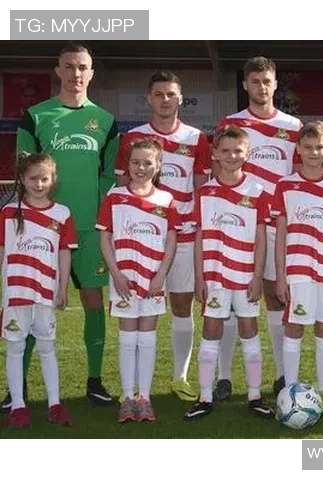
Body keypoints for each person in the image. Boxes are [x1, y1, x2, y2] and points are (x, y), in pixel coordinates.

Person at [4, 42, 119, 410]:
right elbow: (24, 169)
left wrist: (99, 218)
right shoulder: (36, 116)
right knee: (31, 303)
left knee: (93, 301)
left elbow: (109, 176)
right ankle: (17, 390)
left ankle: (95, 381)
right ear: (58, 70)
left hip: (87, 227)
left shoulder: (105, 121)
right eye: (69, 66)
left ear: (92, 72)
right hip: (40, 229)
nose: (76, 73)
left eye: (82, 66)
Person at [116, 71, 211, 402]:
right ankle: (135, 387)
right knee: (139, 312)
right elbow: (121, 189)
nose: (165, 100)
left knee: (182, 305)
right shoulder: (132, 137)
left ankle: (179, 377)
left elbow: (201, 188)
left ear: (180, 98)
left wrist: (200, 229)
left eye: (171, 94)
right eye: (159, 94)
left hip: (182, 235)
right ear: (149, 98)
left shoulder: (196, 138)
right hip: (141, 240)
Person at [213, 56, 302, 401]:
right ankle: (224, 377)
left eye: (267, 81)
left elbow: (297, 176)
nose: (261, 87)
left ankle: (280, 375)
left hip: (276, 224)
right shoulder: (231, 123)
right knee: (229, 303)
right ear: (245, 85)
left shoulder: (293, 126)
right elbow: (218, 175)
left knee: (277, 299)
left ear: (275, 84)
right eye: (255, 81)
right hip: (237, 225)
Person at [184, 126, 275, 421]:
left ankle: (255, 395)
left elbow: (261, 237)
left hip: (246, 276)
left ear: (248, 153)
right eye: (225, 151)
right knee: (211, 331)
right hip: (215, 276)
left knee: (249, 330)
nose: (231, 156)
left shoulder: (257, 192)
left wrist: (258, 276)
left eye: (238, 151)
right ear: (215, 154)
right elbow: (199, 236)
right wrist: (199, 277)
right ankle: (205, 396)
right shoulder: (205, 192)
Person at [272, 121, 323, 420]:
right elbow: (280, 236)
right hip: (297, 272)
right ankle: (288, 394)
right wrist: (280, 277)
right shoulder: (285, 186)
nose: (314, 152)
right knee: (294, 327)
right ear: (298, 149)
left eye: (319, 147)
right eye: (307, 147)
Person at [98, 138, 178, 422]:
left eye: (147, 162)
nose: (141, 168)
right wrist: (116, 274)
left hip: (153, 280)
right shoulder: (115, 197)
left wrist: (161, 274)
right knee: (127, 338)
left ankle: (144, 398)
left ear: (158, 165)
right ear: (127, 164)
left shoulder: (166, 200)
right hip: (124, 280)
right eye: (135, 162)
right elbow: (105, 238)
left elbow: (171, 240)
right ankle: (127, 397)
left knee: (147, 338)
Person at [1, 153, 76, 428]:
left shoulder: (62, 213)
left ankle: (54, 403)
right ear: (22, 179)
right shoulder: (8, 212)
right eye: (33, 178)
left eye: (44, 178)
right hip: (16, 292)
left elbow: (64, 252)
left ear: (53, 180)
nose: (39, 184)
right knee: (15, 347)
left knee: (47, 347)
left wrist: (62, 286)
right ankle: (18, 406)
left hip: (46, 292)